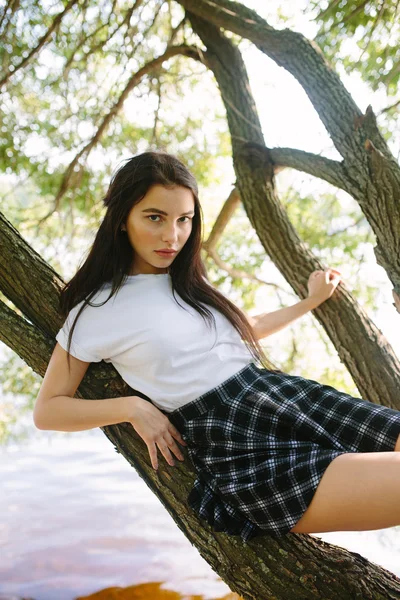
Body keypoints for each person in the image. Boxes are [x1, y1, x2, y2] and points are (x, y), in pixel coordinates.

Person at [34, 150, 400, 543]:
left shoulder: (188, 284)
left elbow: (243, 330)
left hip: (283, 395)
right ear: (123, 218)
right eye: (154, 217)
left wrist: (309, 302)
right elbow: (49, 410)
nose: (171, 236)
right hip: (235, 438)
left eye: (183, 220)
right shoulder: (97, 310)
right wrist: (131, 408)